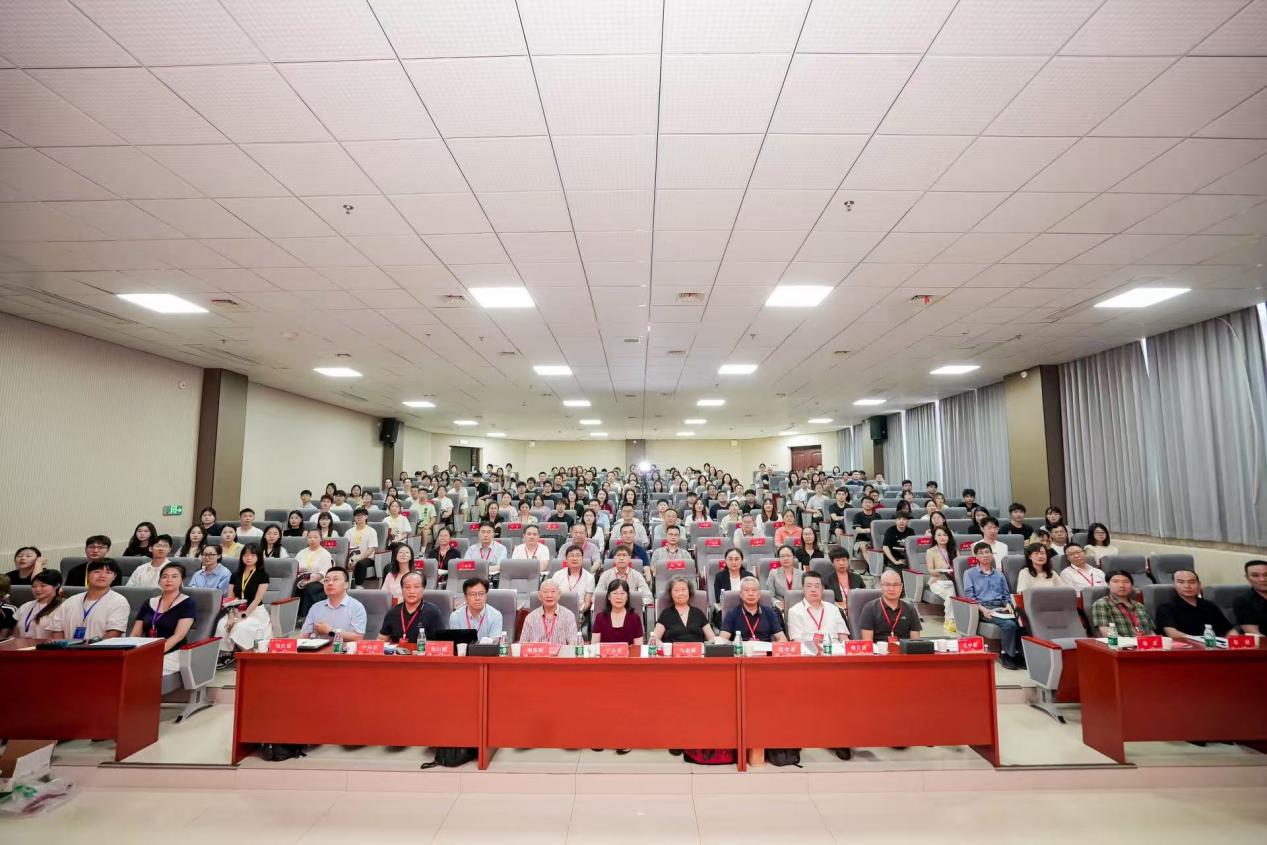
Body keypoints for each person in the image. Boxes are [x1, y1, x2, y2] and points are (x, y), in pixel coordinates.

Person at [962, 543, 1022, 668]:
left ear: (992, 554)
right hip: (983, 608)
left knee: (1022, 622)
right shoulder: (969, 573)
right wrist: (983, 610)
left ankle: (1020, 655)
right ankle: (1006, 655)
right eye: (981, 553)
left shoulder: (999, 574)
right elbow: (970, 597)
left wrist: (1008, 605)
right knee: (1009, 625)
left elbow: (1005, 595)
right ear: (975, 556)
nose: (985, 555)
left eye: (987, 552)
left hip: (1001, 607)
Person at [130, 563, 196, 675]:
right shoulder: (148, 603)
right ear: (159, 581)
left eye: (174, 576)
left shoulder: (187, 603)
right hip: (146, 650)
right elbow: (135, 634)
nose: (169, 580)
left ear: (182, 580)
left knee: (144, 670)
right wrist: (131, 653)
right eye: (164, 576)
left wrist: (154, 653)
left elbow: (179, 635)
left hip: (175, 652)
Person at [215, 545, 271, 663]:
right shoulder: (235, 575)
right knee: (222, 625)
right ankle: (228, 654)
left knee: (240, 627)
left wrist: (243, 615)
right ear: (241, 557)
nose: (248, 558)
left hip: (254, 612)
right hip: (235, 610)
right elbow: (230, 599)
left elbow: (257, 599)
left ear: (259, 557)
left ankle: (248, 657)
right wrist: (231, 616)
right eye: (245, 555)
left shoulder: (263, 575)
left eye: (253, 555)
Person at [47, 559, 129, 640]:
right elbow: (57, 632)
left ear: (114, 577)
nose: (102, 575)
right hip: (68, 648)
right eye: (97, 572)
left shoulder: (119, 601)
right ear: (87, 574)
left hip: (102, 648)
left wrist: (89, 647)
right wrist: (63, 647)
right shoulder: (71, 601)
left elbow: (113, 634)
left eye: (108, 572)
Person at [1156, 569, 1237, 638]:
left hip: (1216, 647)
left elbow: (1228, 629)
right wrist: (1201, 641)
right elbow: (1172, 634)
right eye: (1181, 582)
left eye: (1191, 582)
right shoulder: (1166, 607)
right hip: (1187, 649)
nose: (1187, 586)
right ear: (1174, 585)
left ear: (1199, 584)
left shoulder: (1209, 606)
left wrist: (1232, 638)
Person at [377, 570, 445, 645]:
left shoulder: (433, 612)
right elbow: (381, 640)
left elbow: (442, 643)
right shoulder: (392, 613)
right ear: (402, 589)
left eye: (416, 587)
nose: (412, 591)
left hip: (423, 652)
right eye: (407, 587)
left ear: (423, 589)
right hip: (398, 652)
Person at [786, 570, 849, 648]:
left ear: (823, 589)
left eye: (817, 586)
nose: (813, 590)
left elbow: (844, 638)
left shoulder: (833, 609)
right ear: (803, 588)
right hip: (809, 652)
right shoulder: (794, 611)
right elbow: (797, 642)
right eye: (809, 586)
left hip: (834, 651)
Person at [301, 567, 367, 641]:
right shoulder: (316, 607)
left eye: (335, 579)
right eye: (326, 580)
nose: (330, 583)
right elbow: (303, 635)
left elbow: (358, 637)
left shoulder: (356, 607)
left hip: (345, 647)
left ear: (346, 585)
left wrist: (330, 631)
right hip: (319, 648)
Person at [719, 577, 787, 643]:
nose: (750, 594)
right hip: (741, 649)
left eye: (754, 590)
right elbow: (722, 640)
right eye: (746, 590)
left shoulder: (769, 612)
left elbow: (782, 639)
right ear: (741, 594)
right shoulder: (732, 614)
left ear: (759, 594)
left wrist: (773, 646)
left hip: (765, 649)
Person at [860, 570, 923, 641]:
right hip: (879, 647)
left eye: (895, 585)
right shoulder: (869, 609)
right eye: (887, 585)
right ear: (881, 586)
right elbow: (867, 642)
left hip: (903, 647)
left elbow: (915, 642)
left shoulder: (910, 609)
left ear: (901, 587)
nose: (891, 589)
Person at [1090, 570, 1156, 637]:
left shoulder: (1139, 606)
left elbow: (1151, 632)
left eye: (1126, 582)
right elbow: (1108, 634)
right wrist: (1133, 642)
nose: (1121, 585)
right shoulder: (1102, 604)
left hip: (1146, 642)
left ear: (1132, 586)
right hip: (1119, 643)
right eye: (1116, 581)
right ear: (1108, 585)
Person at [653, 576, 714, 643]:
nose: (680, 593)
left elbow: (712, 637)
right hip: (672, 649)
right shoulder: (665, 614)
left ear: (689, 591)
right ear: (671, 593)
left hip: (697, 649)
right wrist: (658, 642)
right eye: (676, 590)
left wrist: (709, 644)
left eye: (683, 590)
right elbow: (655, 638)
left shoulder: (699, 613)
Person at [591, 580, 644, 646]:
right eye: (615, 593)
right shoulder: (600, 617)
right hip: (605, 653)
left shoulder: (635, 618)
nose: (619, 597)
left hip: (628, 653)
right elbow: (594, 646)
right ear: (609, 597)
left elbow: (638, 647)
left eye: (622, 593)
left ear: (627, 597)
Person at [295, 528, 334, 617]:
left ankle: (306, 616)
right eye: (310, 537)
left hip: (318, 581)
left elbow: (322, 574)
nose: (312, 539)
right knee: (291, 587)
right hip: (301, 579)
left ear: (321, 539)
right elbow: (294, 568)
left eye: (315, 537)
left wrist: (308, 582)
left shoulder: (325, 554)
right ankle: (292, 615)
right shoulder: (301, 552)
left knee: (310, 588)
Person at [15, 569, 65, 638]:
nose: (37, 589)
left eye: (43, 586)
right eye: (34, 586)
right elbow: (16, 633)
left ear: (56, 586)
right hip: (22, 644)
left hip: (48, 644)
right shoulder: (26, 606)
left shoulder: (64, 606)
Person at [924, 526, 957, 627]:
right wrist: (941, 570)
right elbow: (930, 571)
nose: (942, 537)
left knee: (953, 589)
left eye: (945, 535)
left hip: (952, 581)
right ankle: (949, 620)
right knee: (952, 591)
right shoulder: (931, 551)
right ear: (934, 537)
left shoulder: (954, 550)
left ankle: (952, 619)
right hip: (937, 581)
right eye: (939, 535)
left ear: (949, 536)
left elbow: (958, 567)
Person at [549, 546, 595, 616]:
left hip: (578, 612)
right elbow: (551, 596)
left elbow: (587, 603)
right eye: (571, 555)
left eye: (578, 555)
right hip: (558, 612)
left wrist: (579, 613)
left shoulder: (590, 578)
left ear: (582, 559)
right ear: (566, 559)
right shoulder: (557, 575)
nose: (574, 558)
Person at [822, 548, 864, 616]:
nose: (841, 563)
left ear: (848, 561)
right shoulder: (826, 579)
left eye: (844, 560)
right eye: (837, 560)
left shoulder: (857, 578)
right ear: (832, 563)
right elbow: (825, 600)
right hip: (835, 611)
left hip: (856, 610)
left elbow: (863, 596)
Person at [344, 507, 378, 586]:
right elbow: (345, 548)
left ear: (366, 516)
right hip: (352, 556)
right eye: (356, 515)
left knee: (360, 563)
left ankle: (358, 586)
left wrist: (358, 559)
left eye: (361, 515)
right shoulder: (349, 532)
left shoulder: (371, 531)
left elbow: (370, 549)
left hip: (367, 558)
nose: (359, 517)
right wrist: (349, 560)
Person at [766, 544, 803, 611]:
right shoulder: (773, 573)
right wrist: (777, 603)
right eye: (782, 556)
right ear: (779, 558)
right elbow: (769, 595)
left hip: (799, 608)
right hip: (780, 610)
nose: (785, 558)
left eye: (788, 556)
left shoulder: (802, 574)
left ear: (793, 557)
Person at [1234, 559, 1267, 634]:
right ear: (1247, 578)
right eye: (1255, 575)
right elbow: (1254, 634)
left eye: (1266, 575)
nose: (1262, 579)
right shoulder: (1243, 601)